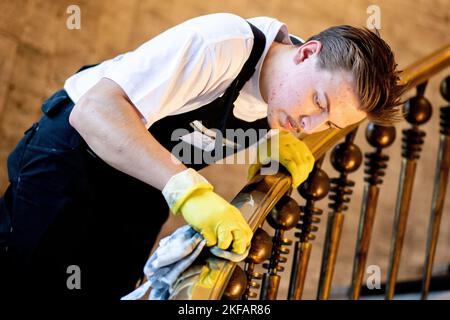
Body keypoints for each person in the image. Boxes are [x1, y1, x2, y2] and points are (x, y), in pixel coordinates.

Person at [0, 13, 404, 299]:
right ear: (305, 52)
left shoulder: (284, 96)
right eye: (318, 100)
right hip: (70, 162)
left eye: (328, 123)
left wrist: (265, 145)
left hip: (137, 194)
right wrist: (188, 191)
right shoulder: (223, 45)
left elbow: (201, 130)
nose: (311, 123)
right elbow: (96, 111)